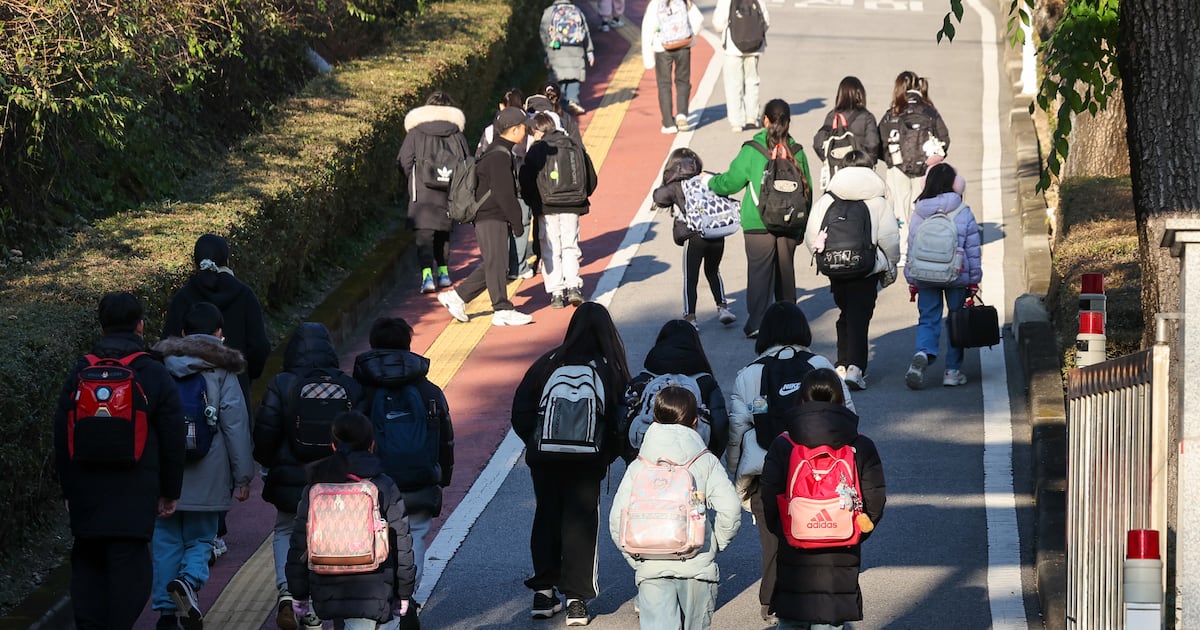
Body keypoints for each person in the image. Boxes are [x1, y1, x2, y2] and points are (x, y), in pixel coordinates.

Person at [53, 291, 185, 630]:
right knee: (131, 570)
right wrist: (170, 490)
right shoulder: (153, 372)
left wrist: (69, 489)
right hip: (135, 493)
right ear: (140, 325)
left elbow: (61, 433)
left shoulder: (81, 371)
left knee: (88, 564)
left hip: (86, 492)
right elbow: (173, 434)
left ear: (101, 326)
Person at [725, 301, 853, 623]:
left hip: (767, 471)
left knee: (773, 540)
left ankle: (772, 601)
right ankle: (819, 601)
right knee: (818, 536)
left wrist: (736, 476)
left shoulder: (750, 374)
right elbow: (847, 416)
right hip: (817, 472)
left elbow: (738, 430)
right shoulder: (819, 364)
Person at [511, 302, 631, 626]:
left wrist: (538, 443)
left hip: (545, 459)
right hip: (586, 464)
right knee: (580, 524)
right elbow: (622, 420)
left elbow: (520, 411)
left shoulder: (548, 363)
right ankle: (576, 601)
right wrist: (603, 454)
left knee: (546, 517)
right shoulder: (609, 368)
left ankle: (543, 594)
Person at [161, 233, 269, 562]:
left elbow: (168, 339)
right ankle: (213, 529)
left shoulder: (183, 297)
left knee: (190, 443)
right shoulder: (244, 294)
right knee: (224, 442)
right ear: (227, 258)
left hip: (185, 384)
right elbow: (259, 345)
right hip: (232, 378)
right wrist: (247, 372)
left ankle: (198, 529)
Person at [254, 322, 365, 630]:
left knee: (286, 531)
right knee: (331, 539)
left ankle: (288, 594)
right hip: (335, 478)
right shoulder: (349, 385)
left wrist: (268, 464)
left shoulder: (282, 383)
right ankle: (319, 605)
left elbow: (265, 431)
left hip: (292, 476)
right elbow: (362, 432)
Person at [151, 302, 255, 630]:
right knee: (200, 539)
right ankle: (188, 580)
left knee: (166, 540)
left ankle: (167, 614)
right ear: (219, 334)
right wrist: (243, 476)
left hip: (165, 471)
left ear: (182, 333)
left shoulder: (159, 366)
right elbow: (235, 424)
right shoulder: (222, 369)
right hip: (209, 471)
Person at [759, 368, 886, 629]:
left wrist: (787, 532)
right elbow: (875, 500)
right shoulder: (860, 444)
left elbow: (768, 499)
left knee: (792, 621)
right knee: (830, 622)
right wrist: (852, 532)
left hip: (794, 553)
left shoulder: (783, 444)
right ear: (840, 400)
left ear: (801, 400)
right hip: (841, 555)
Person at [608, 386, 741, 630]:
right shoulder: (705, 460)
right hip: (697, 566)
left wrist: (637, 558)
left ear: (655, 418)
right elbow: (730, 509)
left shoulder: (640, 464)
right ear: (694, 421)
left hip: (651, 564)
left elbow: (617, 520)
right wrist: (714, 545)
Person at [353, 316, 454, 609]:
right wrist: (442, 478)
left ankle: (378, 597)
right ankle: (406, 599)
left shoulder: (359, 390)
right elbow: (445, 440)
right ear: (408, 345)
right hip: (419, 479)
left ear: (373, 347)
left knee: (371, 538)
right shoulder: (429, 391)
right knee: (414, 537)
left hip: (370, 482)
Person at [285, 411, 417, 630]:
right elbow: (401, 542)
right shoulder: (383, 486)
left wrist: (297, 593)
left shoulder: (316, 487)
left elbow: (300, 542)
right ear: (371, 445)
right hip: (374, 582)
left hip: (326, 583)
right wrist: (404, 593)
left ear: (334, 446)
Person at [709, 98, 813, 338]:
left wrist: (711, 181)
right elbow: (807, 192)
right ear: (788, 121)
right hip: (790, 221)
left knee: (759, 274)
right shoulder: (797, 151)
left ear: (765, 120)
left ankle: (757, 323)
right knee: (785, 274)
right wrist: (801, 228)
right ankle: (790, 324)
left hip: (758, 223)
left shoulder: (753, 150)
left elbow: (730, 182)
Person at [803, 150, 900, 390]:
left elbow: (811, 235)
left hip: (836, 268)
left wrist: (823, 257)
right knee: (859, 317)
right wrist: (890, 266)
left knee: (845, 313)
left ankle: (841, 364)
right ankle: (855, 368)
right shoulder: (877, 200)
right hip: (866, 270)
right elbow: (890, 239)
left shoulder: (828, 199)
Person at [436, 108, 534, 326]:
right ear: (515, 130)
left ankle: (457, 297)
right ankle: (501, 309)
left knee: (495, 263)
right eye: (525, 127)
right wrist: (517, 222)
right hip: (491, 216)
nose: (527, 131)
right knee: (497, 263)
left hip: (488, 216)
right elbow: (504, 192)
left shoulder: (496, 152)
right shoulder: (499, 156)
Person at [903, 162, 982, 389]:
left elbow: (912, 246)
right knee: (956, 320)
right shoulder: (963, 211)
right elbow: (972, 250)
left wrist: (912, 278)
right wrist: (974, 279)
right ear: (955, 185)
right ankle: (952, 372)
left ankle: (924, 353)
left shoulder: (919, 210)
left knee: (928, 318)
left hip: (925, 274)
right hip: (956, 275)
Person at [520, 112, 598, 308]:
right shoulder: (573, 145)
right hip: (572, 204)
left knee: (550, 247)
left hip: (546, 207)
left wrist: (533, 203)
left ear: (539, 130)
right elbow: (590, 176)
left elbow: (525, 181)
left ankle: (556, 292)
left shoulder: (537, 150)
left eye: (533, 130)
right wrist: (581, 196)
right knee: (570, 245)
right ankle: (574, 287)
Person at [653, 147, 737, 327]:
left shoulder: (676, 186)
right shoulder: (706, 177)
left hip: (695, 237)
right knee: (713, 271)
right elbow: (724, 188)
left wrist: (667, 181)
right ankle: (723, 308)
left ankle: (690, 317)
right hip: (717, 233)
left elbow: (659, 198)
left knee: (690, 278)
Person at [397, 91, 472, 293]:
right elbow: (467, 161)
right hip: (449, 191)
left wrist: (413, 178)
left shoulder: (415, 132)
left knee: (424, 236)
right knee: (444, 233)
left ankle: (427, 278)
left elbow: (404, 160)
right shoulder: (456, 132)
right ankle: (444, 273)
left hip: (422, 193)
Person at [623, 319, 731, 460]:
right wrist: (710, 456)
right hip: (692, 459)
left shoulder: (642, 380)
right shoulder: (705, 382)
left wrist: (631, 456)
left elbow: (622, 419)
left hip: (647, 461)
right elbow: (720, 423)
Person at [877, 70, 951, 256]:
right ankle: (920, 249)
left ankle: (901, 250)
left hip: (897, 167)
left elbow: (879, 140)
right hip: (925, 168)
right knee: (921, 208)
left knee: (899, 210)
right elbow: (944, 139)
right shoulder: (929, 111)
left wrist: (890, 161)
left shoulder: (892, 113)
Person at [477, 88, 536, 282]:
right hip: (521, 188)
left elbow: (479, 158)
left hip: (491, 194)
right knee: (521, 224)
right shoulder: (526, 132)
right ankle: (517, 266)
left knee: (504, 231)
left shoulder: (489, 131)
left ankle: (508, 269)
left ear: (502, 106)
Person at [641, 0, 703, 133]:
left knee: (664, 85)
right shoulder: (684, 1)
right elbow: (699, 20)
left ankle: (668, 123)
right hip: (684, 45)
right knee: (683, 81)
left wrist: (648, 59)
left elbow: (647, 30)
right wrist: (691, 34)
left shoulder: (655, 4)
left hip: (662, 48)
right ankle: (682, 115)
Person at [812, 76, 881, 188]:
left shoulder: (832, 116)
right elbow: (873, 144)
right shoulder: (867, 117)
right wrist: (869, 164)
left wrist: (828, 158)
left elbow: (818, 142)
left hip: (836, 172)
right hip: (860, 172)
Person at [712, 0, 769, 132]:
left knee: (733, 84)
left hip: (733, 47)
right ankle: (752, 117)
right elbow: (765, 21)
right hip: (754, 46)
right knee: (752, 81)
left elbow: (718, 24)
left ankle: (737, 121)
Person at [540, 0, 595, 116]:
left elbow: (543, 32)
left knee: (557, 78)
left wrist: (546, 50)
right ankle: (572, 100)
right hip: (576, 49)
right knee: (574, 77)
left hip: (556, 50)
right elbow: (585, 32)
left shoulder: (549, 12)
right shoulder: (576, 10)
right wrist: (589, 51)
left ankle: (559, 103)